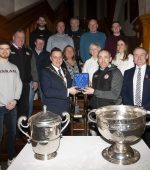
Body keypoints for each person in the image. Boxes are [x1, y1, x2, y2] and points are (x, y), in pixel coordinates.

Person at [121, 47, 150, 147]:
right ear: (133, 58)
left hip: (148, 114)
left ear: (147, 56)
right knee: (133, 144)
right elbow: (124, 93)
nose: (139, 57)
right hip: (132, 114)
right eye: (136, 55)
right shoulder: (127, 73)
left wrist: (144, 109)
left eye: (142, 54)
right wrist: (133, 108)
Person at [0, 41, 22, 166]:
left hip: (12, 107)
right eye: (1, 49)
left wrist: (15, 100)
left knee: (12, 134)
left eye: (7, 49)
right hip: (0, 107)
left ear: (10, 51)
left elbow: (18, 85)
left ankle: (11, 158)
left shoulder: (14, 67)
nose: (4, 51)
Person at [40, 47, 79, 115]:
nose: (58, 59)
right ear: (51, 58)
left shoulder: (65, 71)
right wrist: (68, 91)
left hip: (66, 108)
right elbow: (47, 92)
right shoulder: (45, 71)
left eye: (60, 57)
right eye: (55, 57)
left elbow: (70, 86)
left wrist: (80, 86)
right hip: (52, 110)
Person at [9, 29, 38, 119]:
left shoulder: (28, 51)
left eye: (23, 38)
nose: (21, 40)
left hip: (25, 84)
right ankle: (13, 132)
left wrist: (35, 80)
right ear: (13, 38)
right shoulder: (7, 50)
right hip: (11, 85)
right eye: (18, 37)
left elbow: (33, 67)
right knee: (12, 110)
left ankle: (23, 130)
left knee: (24, 109)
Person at [29, 37, 50, 117]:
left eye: (42, 43)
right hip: (32, 80)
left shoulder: (47, 54)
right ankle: (28, 120)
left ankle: (45, 118)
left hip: (43, 80)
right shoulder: (29, 53)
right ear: (35, 43)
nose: (40, 44)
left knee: (45, 100)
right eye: (38, 42)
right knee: (29, 101)